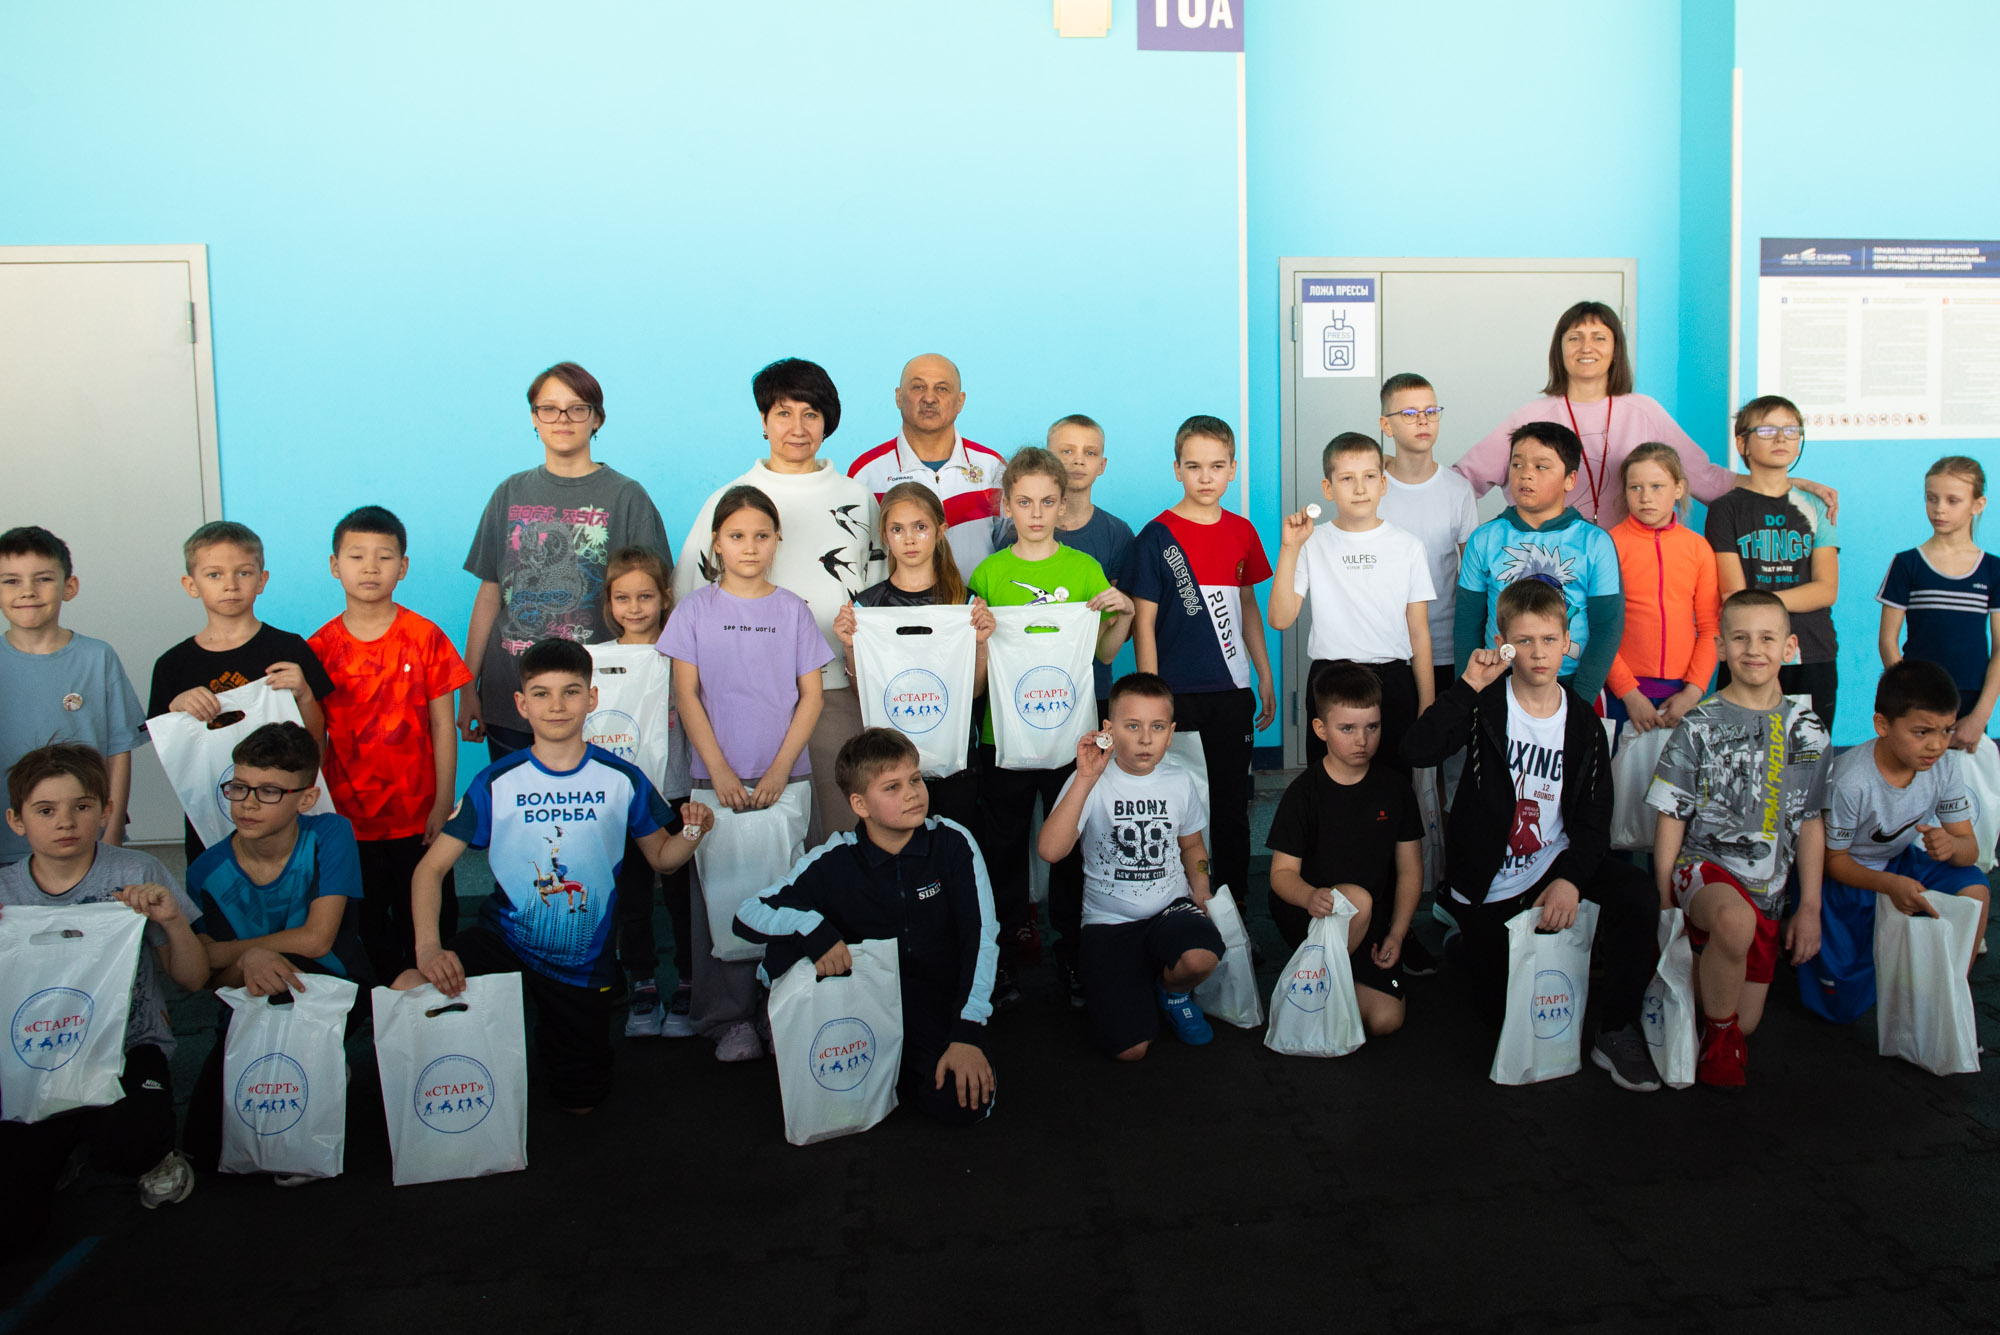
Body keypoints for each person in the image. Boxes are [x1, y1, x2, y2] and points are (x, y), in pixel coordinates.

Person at [397, 639, 709, 1112]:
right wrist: (428, 948)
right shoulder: (496, 782)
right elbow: (430, 869)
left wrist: (693, 830)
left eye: (571, 692)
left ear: (592, 698)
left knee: (581, 1105)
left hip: (580, 960)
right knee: (407, 984)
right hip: (505, 940)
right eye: (541, 694)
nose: (557, 705)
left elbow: (663, 860)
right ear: (521, 704)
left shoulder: (622, 778)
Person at [1402, 578, 1662, 1092]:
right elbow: (1416, 750)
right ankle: (1471, 944)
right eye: (1524, 641)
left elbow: (1595, 821)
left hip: (1552, 862)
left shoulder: (1583, 723)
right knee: (1497, 1015)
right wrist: (1467, 685)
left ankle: (1616, 1029)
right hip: (1489, 881)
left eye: (1548, 640)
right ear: (1504, 644)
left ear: (1567, 643)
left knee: (1636, 893)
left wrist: (1570, 880)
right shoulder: (1484, 705)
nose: (1538, 653)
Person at [734, 728, 999, 1125]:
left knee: (963, 1107)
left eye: (915, 779)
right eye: (892, 787)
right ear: (860, 804)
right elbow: (748, 913)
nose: (912, 794)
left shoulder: (953, 842)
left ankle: (917, 1064)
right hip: (861, 1007)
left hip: (937, 1004)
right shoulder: (834, 858)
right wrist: (815, 931)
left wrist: (968, 1031)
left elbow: (982, 939)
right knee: (789, 941)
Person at [673, 358, 880, 841]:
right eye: (783, 413)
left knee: (841, 832)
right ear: (764, 421)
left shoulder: (860, 500)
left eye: (811, 413)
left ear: (827, 422)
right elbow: (689, 597)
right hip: (736, 701)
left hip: (833, 692)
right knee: (749, 841)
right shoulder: (728, 500)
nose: (797, 427)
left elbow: (879, 596)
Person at [1, 744, 206, 1229]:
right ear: (16, 821)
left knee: (128, 1142)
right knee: (12, 1222)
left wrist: (172, 920)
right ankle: (64, 1147)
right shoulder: (6, 893)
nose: (65, 822)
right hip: (36, 1053)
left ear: (106, 811)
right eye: (45, 810)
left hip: (127, 1046)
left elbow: (193, 978)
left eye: (81, 806)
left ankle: (155, 1153)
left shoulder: (136, 873)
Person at [662, 487, 832, 1061]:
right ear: (717, 543)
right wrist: (719, 771)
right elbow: (686, 695)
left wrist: (781, 768)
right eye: (736, 536)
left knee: (788, 895)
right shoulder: (694, 611)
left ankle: (780, 1009)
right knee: (723, 899)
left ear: (778, 540)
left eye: (762, 535)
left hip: (787, 780)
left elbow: (811, 696)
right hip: (717, 782)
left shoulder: (792, 610)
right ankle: (726, 1017)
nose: (750, 547)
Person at [967, 447, 1135, 1011]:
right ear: (1007, 505)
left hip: (1070, 740)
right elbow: (977, 669)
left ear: (1063, 506)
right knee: (1003, 850)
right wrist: (979, 637)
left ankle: (1073, 951)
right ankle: (1002, 953)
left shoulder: (1084, 570)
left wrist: (1125, 613)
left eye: (1046, 502)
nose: (1035, 513)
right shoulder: (989, 574)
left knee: (1072, 851)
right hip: (1003, 737)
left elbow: (1103, 653)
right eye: (1024, 502)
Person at [1647, 591, 1830, 1089]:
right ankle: (1720, 1042)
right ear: (1721, 647)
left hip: (1768, 893)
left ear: (1789, 647)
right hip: (1702, 871)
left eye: (1767, 638)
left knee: (1744, 1018)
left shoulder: (1809, 730)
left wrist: (1809, 907)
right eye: (1741, 638)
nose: (1754, 649)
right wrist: (1664, 893)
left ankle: (1714, 989)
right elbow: (1671, 812)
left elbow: (1811, 821)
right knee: (1733, 921)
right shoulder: (1699, 723)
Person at [1453, 300, 1838, 529]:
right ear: (1560, 349)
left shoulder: (1645, 411)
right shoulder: (1531, 416)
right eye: (1575, 338)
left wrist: (1780, 482)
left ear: (1615, 350)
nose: (1587, 347)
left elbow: (1705, 478)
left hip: (1630, 560)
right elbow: (1464, 479)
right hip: (1550, 560)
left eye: (1599, 337)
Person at [181, 722, 375, 1171]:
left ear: (306, 799)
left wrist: (231, 952)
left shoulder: (330, 834)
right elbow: (214, 980)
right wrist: (248, 960)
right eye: (239, 787)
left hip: (335, 987)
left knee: (300, 1141)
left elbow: (316, 939)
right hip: (249, 995)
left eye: (269, 791)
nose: (248, 803)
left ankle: (330, 1066)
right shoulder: (205, 871)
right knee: (203, 1146)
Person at [460, 361, 668, 760]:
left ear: (597, 419)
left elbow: (657, 600)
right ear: (534, 418)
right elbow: (489, 594)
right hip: (511, 692)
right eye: (549, 409)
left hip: (599, 696)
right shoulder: (509, 492)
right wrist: (469, 686)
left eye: (577, 408)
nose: (562, 420)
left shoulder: (627, 497)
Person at [307, 505, 471, 979]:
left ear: (403, 566)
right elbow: (315, 735)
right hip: (348, 818)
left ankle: (436, 1002)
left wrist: (442, 803)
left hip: (419, 814)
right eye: (356, 556)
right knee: (366, 926)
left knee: (432, 921)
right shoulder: (319, 648)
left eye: (384, 556)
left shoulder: (425, 637)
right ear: (335, 565)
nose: (370, 567)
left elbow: (443, 726)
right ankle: (378, 1008)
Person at [1127, 415, 1275, 924]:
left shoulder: (1242, 531)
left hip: (1231, 693)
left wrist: (1264, 673)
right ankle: (1179, 903)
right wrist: (1152, 701)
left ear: (1232, 469)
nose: (1205, 476)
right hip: (1176, 697)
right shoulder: (1156, 537)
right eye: (1193, 466)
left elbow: (1248, 606)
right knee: (1177, 804)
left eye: (1216, 466)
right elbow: (1143, 623)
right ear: (1177, 469)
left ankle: (1234, 911)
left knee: (1232, 805)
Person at [1036, 673, 1223, 1061]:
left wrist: (1202, 887)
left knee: (1200, 956)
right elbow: (1051, 851)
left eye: (1157, 727)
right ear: (1109, 729)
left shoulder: (1179, 781)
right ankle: (1139, 976)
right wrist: (1085, 778)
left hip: (1170, 909)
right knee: (1131, 1051)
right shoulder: (1090, 779)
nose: (1145, 739)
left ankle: (1173, 993)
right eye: (1133, 726)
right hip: (1109, 921)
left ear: (1171, 734)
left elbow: (1192, 844)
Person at [1805, 658, 1992, 1024]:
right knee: (1842, 1010)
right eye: (1922, 732)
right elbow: (1834, 861)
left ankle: (1950, 995)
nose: (1936, 745)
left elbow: (1970, 849)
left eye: (1946, 730)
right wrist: (1890, 885)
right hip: (1847, 879)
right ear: (1882, 725)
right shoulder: (1850, 780)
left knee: (1975, 889)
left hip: (1900, 861)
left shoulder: (1944, 765)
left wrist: (1953, 847)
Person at [148, 519, 335, 866]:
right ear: (191, 585)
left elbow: (317, 741)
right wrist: (177, 709)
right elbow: (170, 756)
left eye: (244, 573)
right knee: (217, 889)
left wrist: (305, 695)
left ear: (262, 580)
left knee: (297, 883)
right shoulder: (172, 665)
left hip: (287, 812)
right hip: (211, 815)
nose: (230, 584)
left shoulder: (290, 649)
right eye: (214, 574)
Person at [1264, 662, 1421, 1036]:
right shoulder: (1303, 793)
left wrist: (1397, 935)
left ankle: (1333, 982)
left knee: (1385, 1021)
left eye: (1372, 727)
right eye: (1347, 729)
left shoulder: (1396, 788)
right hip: (1309, 912)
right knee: (1356, 900)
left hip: (1369, 923)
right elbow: (1281, 876)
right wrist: (1309, 896)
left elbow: (1411, 871)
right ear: (1321, 729)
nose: (1362, 740)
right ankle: (1314, 976)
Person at [832, 481, 995, 831]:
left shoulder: (964, 603)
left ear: (940, 530)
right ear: (884, 536)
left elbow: (974, 692)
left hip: (955, 762)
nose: (909, 539)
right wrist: (849, 647)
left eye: (920, 527)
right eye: (897, 529)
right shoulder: (866, 607)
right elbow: (866, 695)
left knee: (955, 848)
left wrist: (981, 644)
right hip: (890, 769)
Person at [1268, 430, 1434, 770]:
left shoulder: (1409, 546)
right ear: (1328, 488)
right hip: (1331, 678)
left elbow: (1419, 632)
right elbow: (1280, 619)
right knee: (1330, 782)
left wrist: (1428, 703)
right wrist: (1289, 548)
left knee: (1391, 783)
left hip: (1392, 680)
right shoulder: (1310, 542)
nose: (1360, 488)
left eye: (1369, 476)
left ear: (1383, 484)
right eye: (1347, 478)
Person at [593, 547, 697, 1039]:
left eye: (645, 597)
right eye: (623, 598)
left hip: (675, 791)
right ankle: (642, 984)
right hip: (621, 800)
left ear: (665, 598)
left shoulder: (681, 655)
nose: (634, 608)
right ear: (609, 602)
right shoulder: (597, 661)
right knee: (632, 897)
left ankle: (690, 981)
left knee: (681, 895)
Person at [0, 526, 146, 862]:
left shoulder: (98, 657)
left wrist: (112, 835)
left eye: (43, 579)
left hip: (87, 843)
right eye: (11, 581)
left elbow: (119, 752)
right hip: (6, 846)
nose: (28, 592)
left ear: (69, 587)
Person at [1454, 422, 1623, 704]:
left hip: (1571, 686)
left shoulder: (1596, 543)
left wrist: (1580, 702)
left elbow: (1607, 628)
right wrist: (1466, 697)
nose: (1526, 474)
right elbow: (1466, 624)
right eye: (1517, 464)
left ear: (1570, 479)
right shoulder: (1484, 539)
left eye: (1541, 467)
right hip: (1496, 685)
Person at [1705, 395, 1841, 732]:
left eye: (1790, 430)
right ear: (1742, 443)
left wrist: (1762, 600)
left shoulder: (1817, 505)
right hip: (1749, 654)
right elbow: (1734, 595)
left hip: (1812, 649)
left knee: (1808, 754)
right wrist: (1766, 606)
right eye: (1766, 430)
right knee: (1743, 754)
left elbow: (1826, 590)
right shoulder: (1725, 509)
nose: (1781, 438)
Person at [995, 414, 1139, 718]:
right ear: (1049, 459)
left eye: (1090, 452)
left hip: (1089, 689)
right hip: (1020, 691)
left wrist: (1116, 616)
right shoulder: (1011, 537)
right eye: (1067, 451)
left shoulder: (1117, 535)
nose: (1078, 460)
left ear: (1102, 464)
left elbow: (1113, 627)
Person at [1877, 456, 2000, 748]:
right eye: (1932, 498)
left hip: (1969, 701)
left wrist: (1980, 717)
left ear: (1978, 505)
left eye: (1952, 500)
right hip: (1916, 701)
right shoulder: (1907, 564)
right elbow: (1887, 641)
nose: (1939, 508)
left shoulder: (1992, 570)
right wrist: (1910, 700)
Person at [847, 353, 1005, 575]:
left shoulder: (992, 467)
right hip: (892, 598)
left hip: (978, 597)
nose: (929, 398)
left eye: (942, 388)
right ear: (898, 397)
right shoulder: (867, 473)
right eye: (918, 387)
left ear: (960, 401)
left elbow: (1013, 548)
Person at [1377, 373, 1479, 709]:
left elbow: (1473, 575)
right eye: (1409, 413)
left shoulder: (1458, 489)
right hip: (1383, 645)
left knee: (1439, 734)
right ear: (1386, 425)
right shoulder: (1372, 489)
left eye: (1431, 411)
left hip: (1443, 647)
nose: (1423, 420)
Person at [1604, 443, 1720, 734]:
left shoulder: (1698, 549)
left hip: (1682, 694)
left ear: (1678, 489)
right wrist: (1628, 693)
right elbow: (1599, 628)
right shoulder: (1608, 546)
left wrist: (1693, 692)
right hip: (1621, 692)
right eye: (1635, 487)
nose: (1646, 497)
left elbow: (1710, 628)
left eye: (1657, 486)